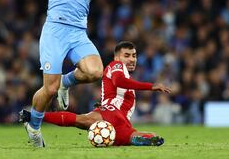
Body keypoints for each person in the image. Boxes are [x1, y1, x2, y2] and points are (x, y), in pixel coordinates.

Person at [23, 0, 109, 147]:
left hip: (78, 33)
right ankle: (33, 126)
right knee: (49, 89)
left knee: (96, 71)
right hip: (56, 30)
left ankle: (65, 82)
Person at [20, 41, 171, 146]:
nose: (132, 59)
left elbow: (114, 87)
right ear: (117, 57)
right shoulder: (117, 66)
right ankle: (33, 116)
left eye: (134, 55)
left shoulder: (124, 73)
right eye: (127, 55)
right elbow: (118, 81)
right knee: (83, 120)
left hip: (119, 118)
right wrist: (150, 86)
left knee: (84, 121)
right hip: (113, 112)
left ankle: (140, 139)